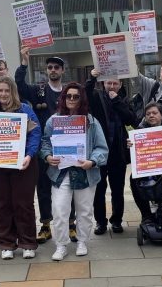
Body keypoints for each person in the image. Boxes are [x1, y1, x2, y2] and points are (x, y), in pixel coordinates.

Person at [40, 83, 109, 261]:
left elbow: (102, 147)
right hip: (60, 173)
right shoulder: (54, 120)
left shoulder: (91, 121)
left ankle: (82, 241)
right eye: (68, 96)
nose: (71, 99)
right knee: (60, 209)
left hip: (85, 173)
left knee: (84, 211)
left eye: (75, 96)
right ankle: (61, 244)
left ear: (81, 99)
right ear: (63, 98)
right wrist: (47, 157)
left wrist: (92, 161)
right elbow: (45, 142)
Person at [16, 48, 77, 243]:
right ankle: (45, 225)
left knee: (69, 184)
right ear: (46, 70)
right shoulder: (38, 90)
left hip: (67, 146)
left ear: (62, 70)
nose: (53, 70)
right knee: (43, 187)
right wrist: (24, 64)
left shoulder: (70, 92)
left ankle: (71, 224)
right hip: (45, 149)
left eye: (56, 67)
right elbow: (19, 86)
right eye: (49, 67)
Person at [0, 76, 42, 260]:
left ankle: (28, 243)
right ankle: (6, 243)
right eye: (0, 90)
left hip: (22, 164)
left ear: (12, 92)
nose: (3, 94)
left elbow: (36, 134)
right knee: (1, 205)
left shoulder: (25, 110)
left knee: (23, 204)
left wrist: (29, 155)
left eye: (7, 90)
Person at [86, 68, 138, 235]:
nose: (112, 86)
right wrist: (91, 78)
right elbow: (85, 93)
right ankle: (100, 222)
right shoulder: (96, 97)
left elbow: (131, 119)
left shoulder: (124, 100)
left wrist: (117, 101)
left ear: (120, 84)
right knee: (99, 190)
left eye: (115, 83)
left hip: (118, 153)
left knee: (117, 190)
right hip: (99, 153)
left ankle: (116, 221)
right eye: (109, 83)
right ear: (103, 84)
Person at [128, 102, 162, 223]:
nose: (151, 116)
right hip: (149, 168)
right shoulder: (140, 131)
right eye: (148, 114)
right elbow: (134, 155)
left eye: (154, 113)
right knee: (133, 178)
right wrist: (130, 145)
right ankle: (146, 215)